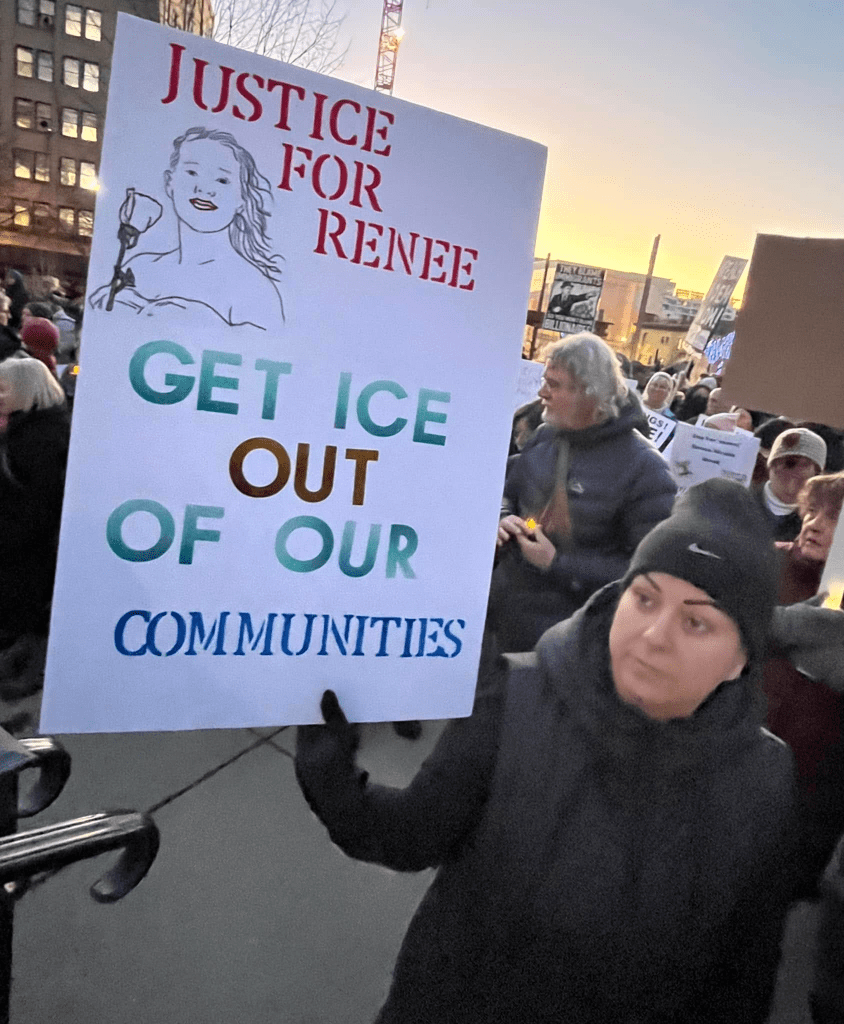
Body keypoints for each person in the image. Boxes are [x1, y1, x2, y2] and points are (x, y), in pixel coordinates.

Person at [296, 479, 797, 1024]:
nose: (654, 635)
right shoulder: (517, 694)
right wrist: (333, 781)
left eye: (696, 621)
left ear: (740, 659)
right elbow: (414, 833)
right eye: (645, 597)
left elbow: (743, 971)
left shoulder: (764, 782)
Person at [490, 333, 677, 652]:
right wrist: (504, 519)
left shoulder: (645, 468)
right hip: (499, 621)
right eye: (544, 381)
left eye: (554, 385)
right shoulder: (543, 438)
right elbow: (506, 494)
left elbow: (650, 573)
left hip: (570, 644)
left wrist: (557, 563)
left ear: (589, 392)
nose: (542, 393)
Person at [90, 126, 284, 331]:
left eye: (222, 180)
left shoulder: (254, 289)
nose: (203, 188)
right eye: (192, 172)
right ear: (169, 182)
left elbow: (271, 347)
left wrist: (210, 325)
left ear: (242, 200)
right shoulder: (139, 268)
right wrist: (102, 309)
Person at [764, 471, 844, 900]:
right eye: (811, 512)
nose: (813, 524)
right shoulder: (765, 562)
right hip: (743, 755)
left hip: (814, 788)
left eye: (833, 518)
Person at [0, 359, 70, 710]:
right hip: (23, 550)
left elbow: (37, 508)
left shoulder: (41, 439)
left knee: (21, 615)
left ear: (27, 391)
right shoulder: (30, 426)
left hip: (26, 553)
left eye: (3, 389)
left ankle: (25, 671)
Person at [755, 427, 827, 542]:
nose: (791, 485)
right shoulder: (741, 499)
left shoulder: (816, 522)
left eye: (804, 466)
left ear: (816, 476)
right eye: (789, 464)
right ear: (771, 466)